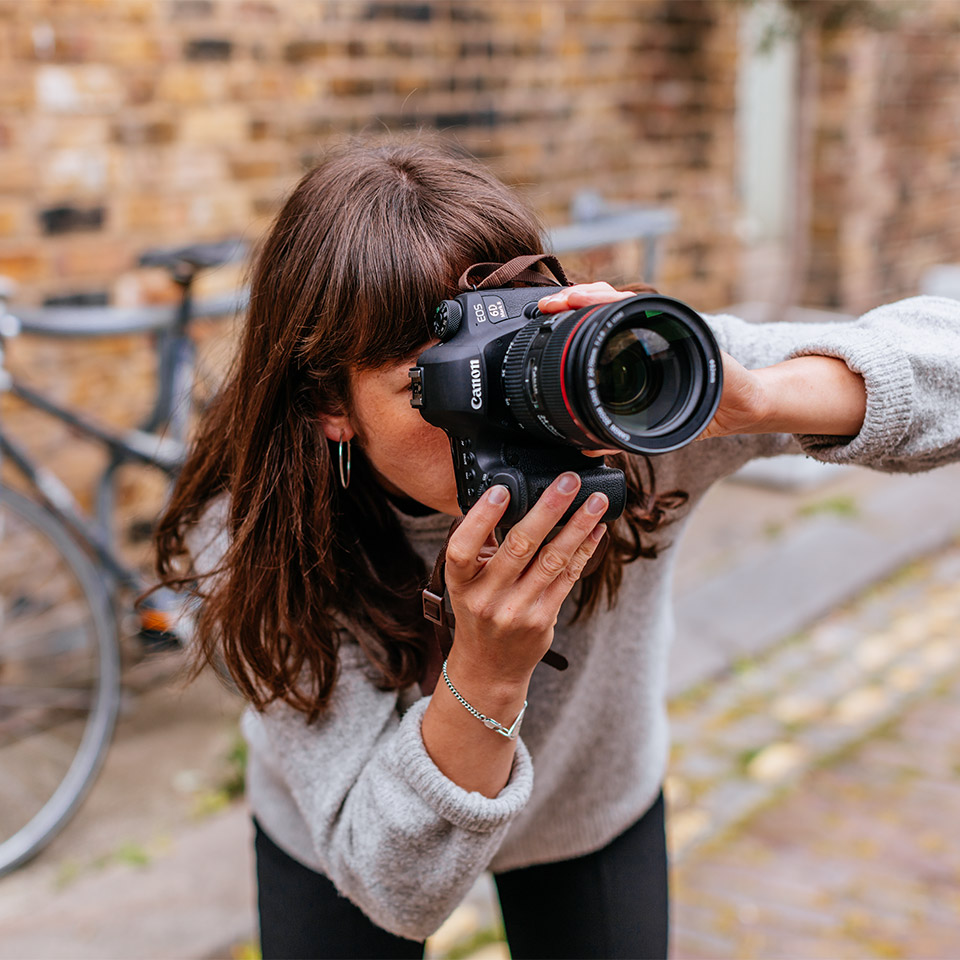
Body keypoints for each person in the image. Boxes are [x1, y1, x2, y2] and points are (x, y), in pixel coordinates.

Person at [155, 137, 960, 960]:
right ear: (330, 402)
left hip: (587, 797)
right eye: (437, 382)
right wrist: (488, 672)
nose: (499, 402)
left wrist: (753, 394)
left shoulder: (628, 392)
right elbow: (395, 885)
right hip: (353, 825)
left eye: (507, 356)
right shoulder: (260, 526)